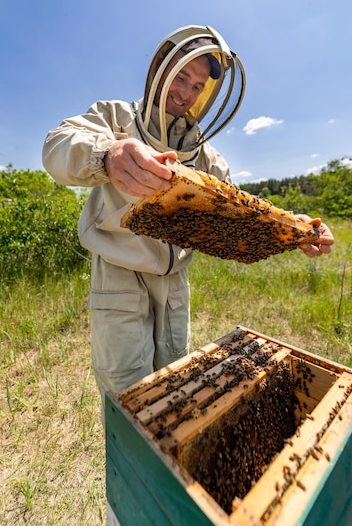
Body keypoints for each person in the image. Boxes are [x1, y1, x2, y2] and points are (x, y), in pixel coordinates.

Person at [42, 25, 334, 413]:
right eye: (181, 77)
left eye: (198, 86)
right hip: (119, 276)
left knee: (175, 387)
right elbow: (58, 145)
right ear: (160, 70)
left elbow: (245, 211)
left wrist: (296, 230)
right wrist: (109, 153)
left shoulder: (206, 155)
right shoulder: (115, 117)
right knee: (130, 397)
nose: (186, 92)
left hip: (175, 283)